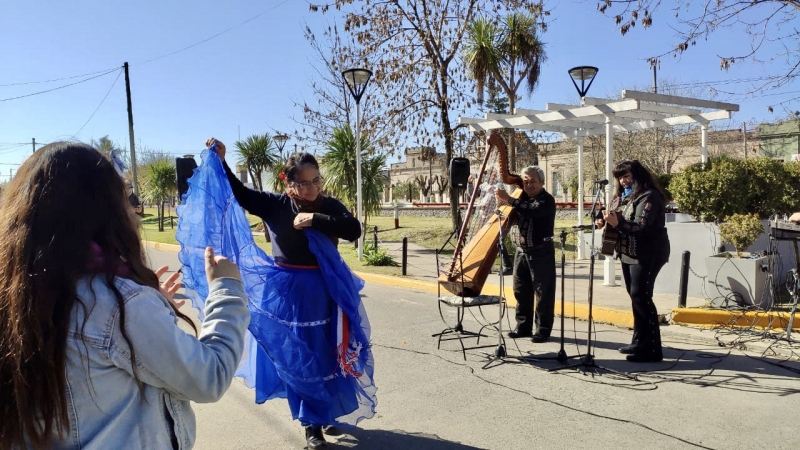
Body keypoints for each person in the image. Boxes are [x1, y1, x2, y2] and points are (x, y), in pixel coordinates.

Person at [0, 142, 249, 449]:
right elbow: (209, 377)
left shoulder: (14, 296)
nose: (132, 207)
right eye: (124, 196)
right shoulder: (119, 306)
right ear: (104, 210)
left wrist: (154, 312)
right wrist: (226, 289)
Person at [206, 138, 376, 450]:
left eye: (316, 181)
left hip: (327, 292)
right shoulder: (274, 205)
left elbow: (353, 230)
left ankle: (327, 414)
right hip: (290, 295)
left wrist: (313, 219)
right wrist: (222, 161)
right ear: (289, 183)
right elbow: (239, 194)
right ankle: (311, 425)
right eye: (304, 183)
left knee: (328, 353)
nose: (312, 189)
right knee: (300, 357)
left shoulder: (329, 206)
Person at [595, 159, 670, 363]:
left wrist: (617, 222)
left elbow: (640, 227)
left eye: (626, 176)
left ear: (637, 176)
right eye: (620, 177)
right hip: (628, 252)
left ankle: (652, 350)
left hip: (648, 253)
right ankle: (639, 341)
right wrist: (602, 219)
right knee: (635, 296)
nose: (623, 181)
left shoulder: (649, 196)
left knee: (642, 296)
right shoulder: (622, 197)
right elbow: (615, 217)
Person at [495, 166, 557, 343]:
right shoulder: (521, 200)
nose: (529, 185)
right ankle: (523, 327)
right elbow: (515, 214)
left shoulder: (546, 200)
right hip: (521, 252)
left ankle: (542, 330)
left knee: (543, 292)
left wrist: (509, 199)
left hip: (541, 252)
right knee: (521, 290)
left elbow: (533, 211)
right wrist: (502, 204)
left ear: (542, 182)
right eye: (526, 181)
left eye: (533, 181)